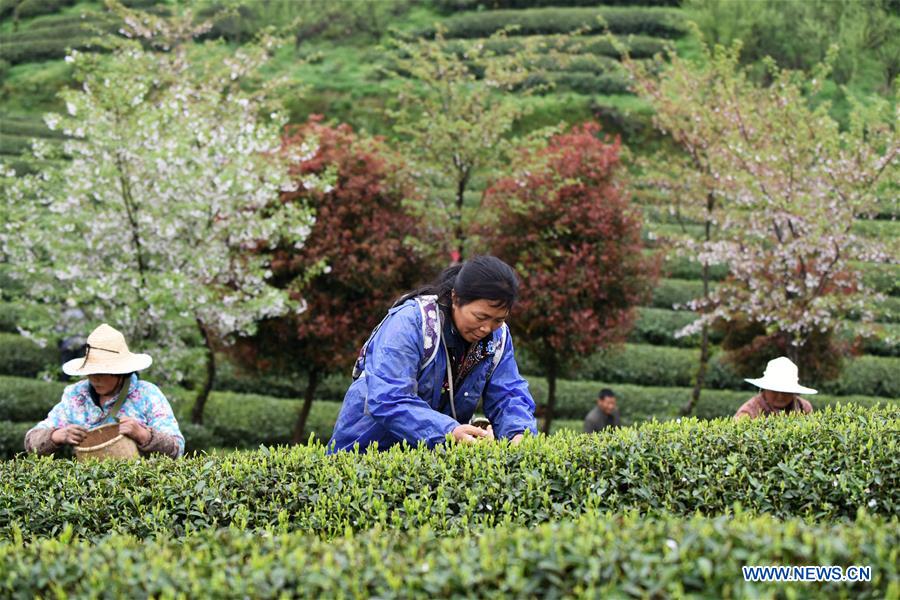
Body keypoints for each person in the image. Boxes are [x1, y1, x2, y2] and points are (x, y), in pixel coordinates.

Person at [328, 255, 538, 452]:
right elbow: (388, 398)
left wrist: (518, 433)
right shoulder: (411, 322)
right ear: (456, 298)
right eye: (480, 316)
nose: (487, 328)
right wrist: (447, 431)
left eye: (498, 319)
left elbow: (508, 394)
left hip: (433, 464)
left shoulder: (498, 336)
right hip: (366, 453)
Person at [24, 323, 184, 458]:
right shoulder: (75, 396)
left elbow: (177, 448)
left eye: (101, 373)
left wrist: (143, 435)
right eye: (91, 372)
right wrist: (57, 436)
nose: (94, 379)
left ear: (120, 372)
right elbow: (31, 442)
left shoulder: (148, 395)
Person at [734, 356, 815, 420]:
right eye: (774, 391)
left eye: (785, 391)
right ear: (765, 389)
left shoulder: (803, 407)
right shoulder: (749, 410)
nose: (780, 396)